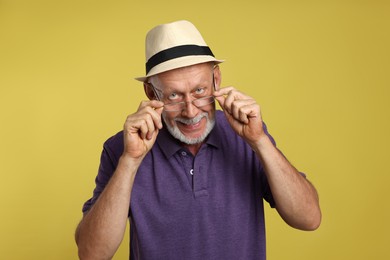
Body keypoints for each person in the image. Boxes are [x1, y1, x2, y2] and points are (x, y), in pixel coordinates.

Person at [75, 20, 321, 260]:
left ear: (217, 79)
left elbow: (309, 218)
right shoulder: (122, 148)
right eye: (173, 95)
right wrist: (129, 161)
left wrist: (260, 142)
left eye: (199, 91)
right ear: (151, 93)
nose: (191, 111)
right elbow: (91, 253)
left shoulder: (249, 136)